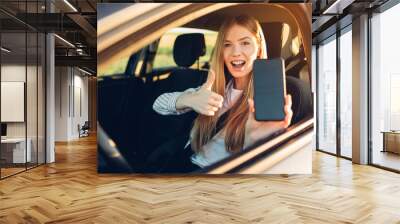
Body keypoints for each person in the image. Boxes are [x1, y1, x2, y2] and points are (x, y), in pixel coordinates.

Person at [152, 15, 293, 172]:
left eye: (245, 43)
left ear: (259, 49)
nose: (235, 52)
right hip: (184, 165)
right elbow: (158, 105)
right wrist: (189, 99)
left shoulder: (264, 103)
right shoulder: (213, 89)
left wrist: (251, 141)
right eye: (227, 45)